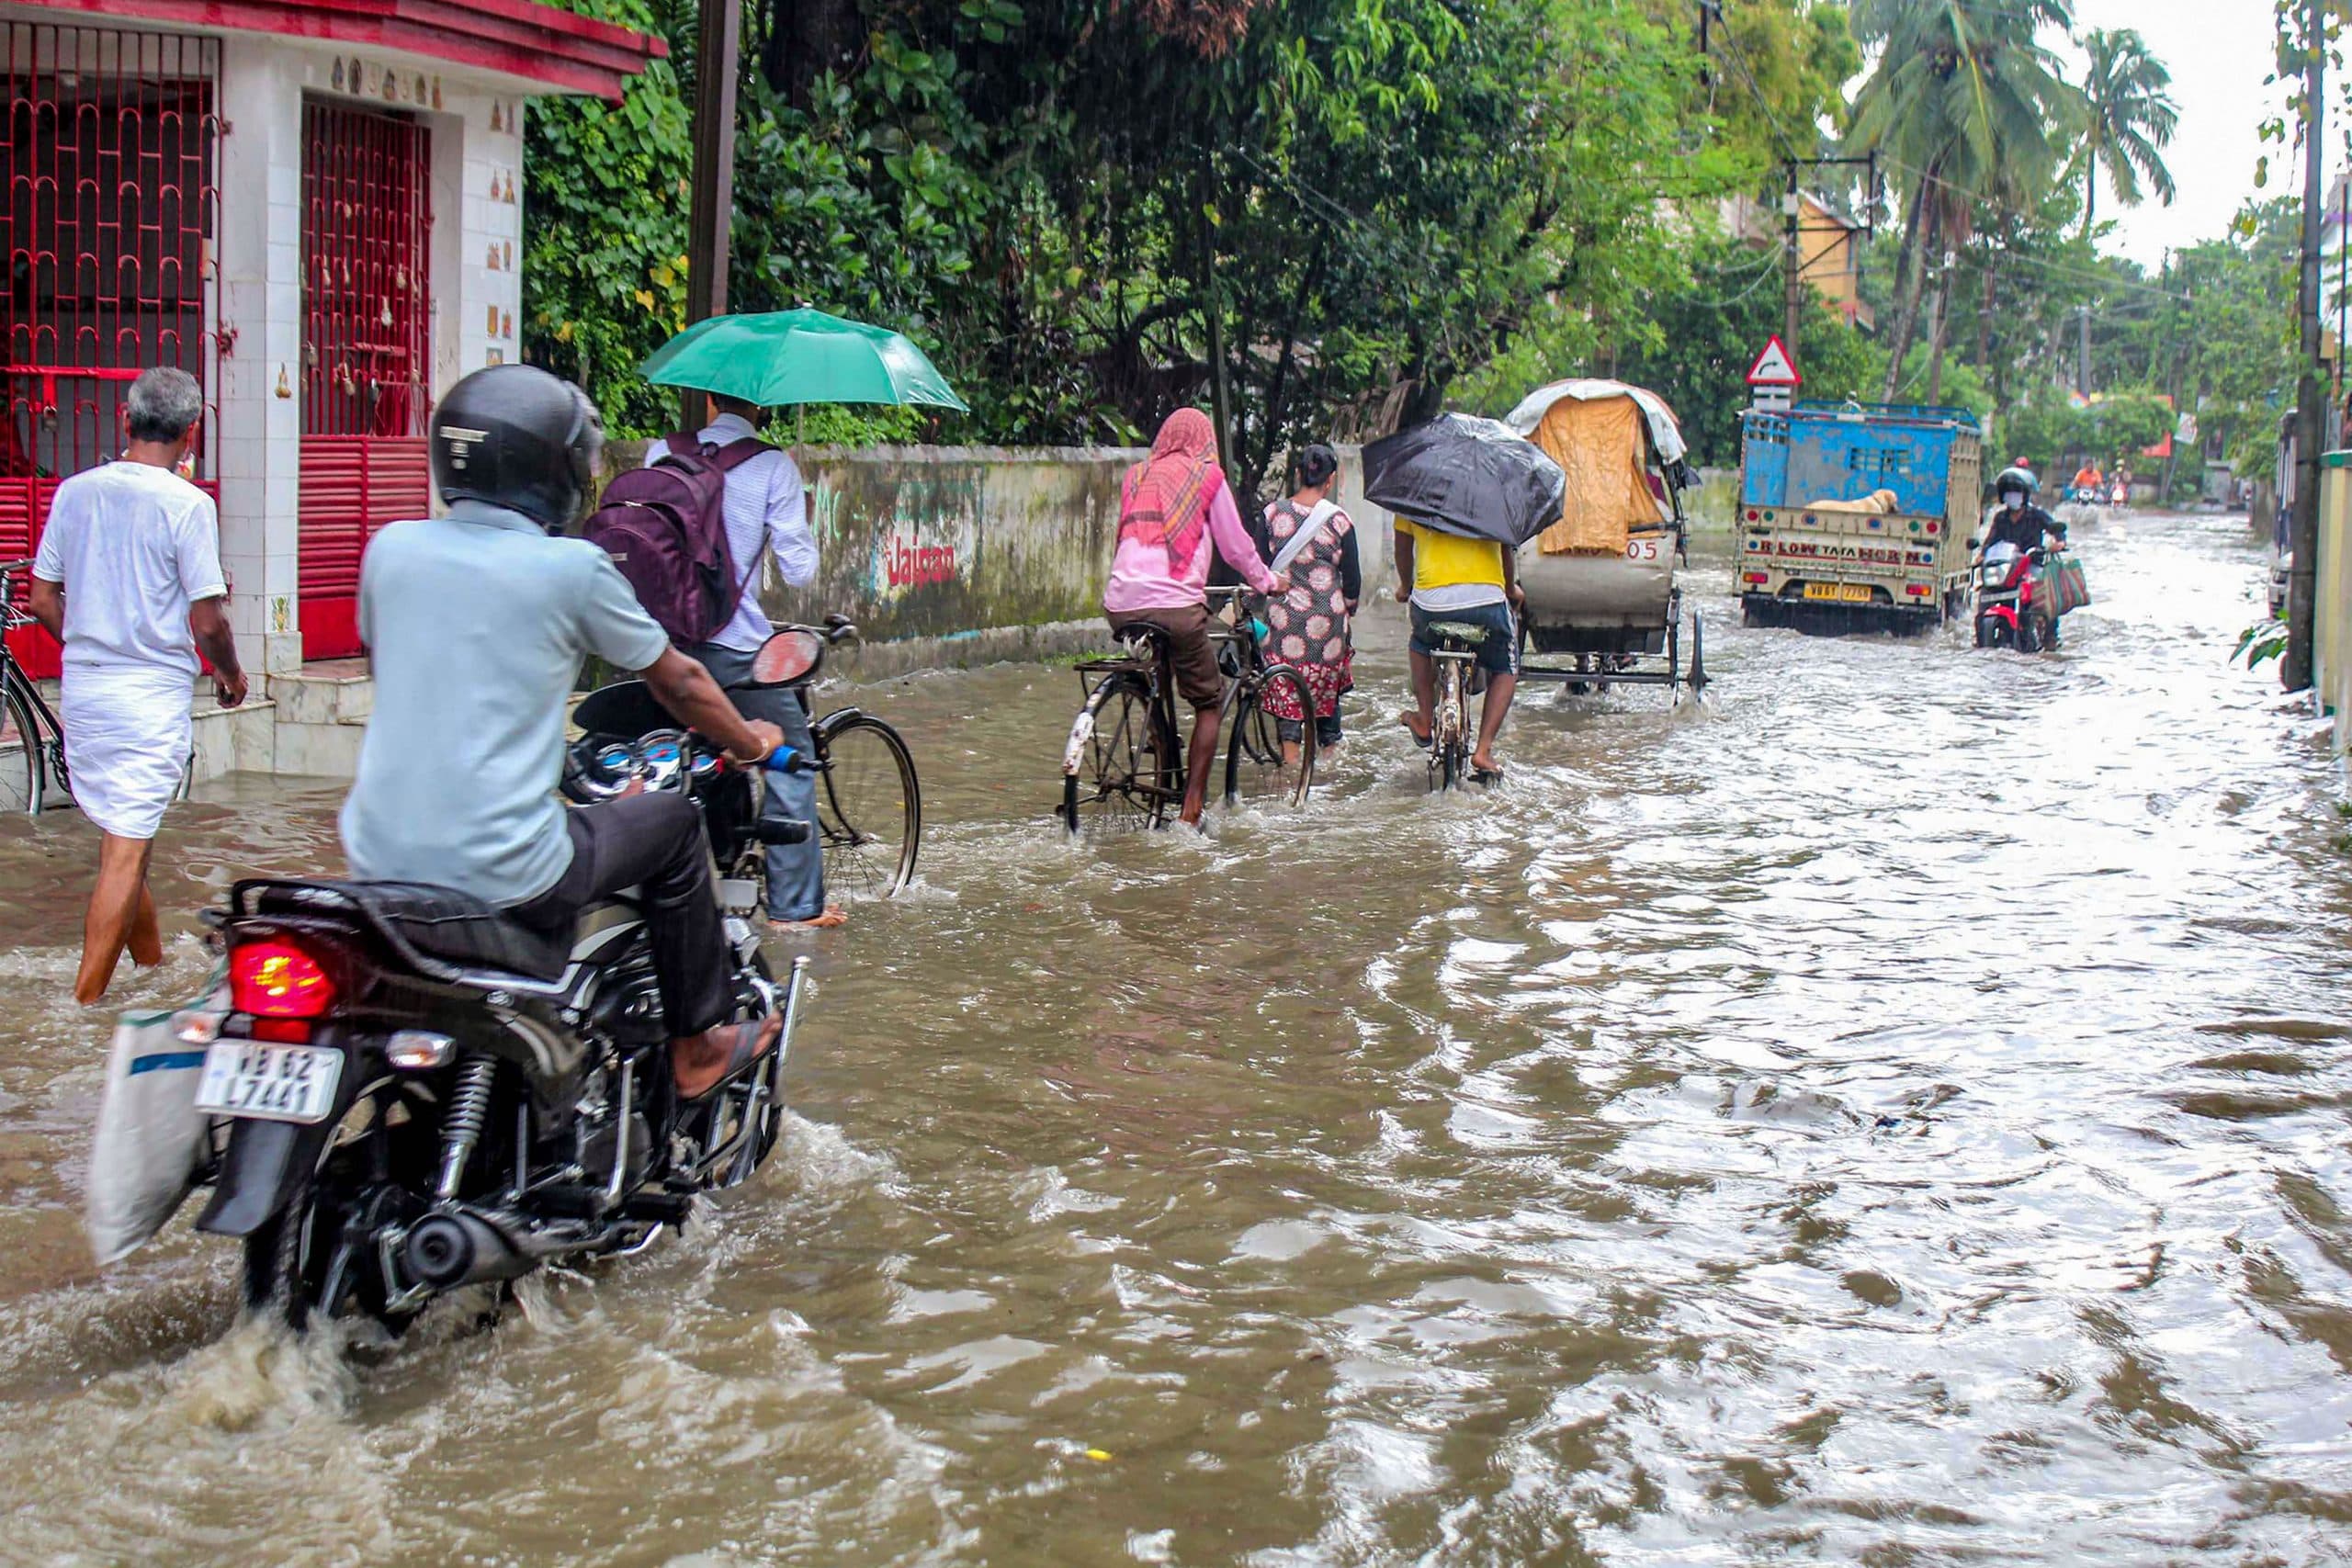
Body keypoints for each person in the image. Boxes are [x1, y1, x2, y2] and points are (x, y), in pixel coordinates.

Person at [340, 365, 786, 1100]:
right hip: (509, 871)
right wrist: (750, 741)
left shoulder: (390, 548)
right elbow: (678, 681)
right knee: (673, 825)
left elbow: (414, 671)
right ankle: (699, 1047)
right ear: (555, 468)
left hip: (377, 863)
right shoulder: (572, 568)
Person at [26, 367, 246, 1004]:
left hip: (87, 691)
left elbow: (42, 597)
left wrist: (91, 641)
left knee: (126, 835)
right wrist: (229, 676)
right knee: (124, 852)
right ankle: (81, 1009)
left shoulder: (74, 492)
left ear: (126, 421)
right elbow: (207, 620)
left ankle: (151, 971)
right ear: (190, 431)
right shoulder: (189, 505)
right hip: (148, 696)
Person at [644, 393, 838, 931]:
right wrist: (801, 514)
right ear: (765, 404)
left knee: (677, 757)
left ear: (708, 398)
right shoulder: (772, 464)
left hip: (657, 648)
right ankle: (795, 910)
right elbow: (799, 572)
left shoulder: (662, 450)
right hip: (734, 647)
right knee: (790, 758)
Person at [1102, 408, 1287, 828]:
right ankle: (1191, 808)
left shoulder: (1137, 475)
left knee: (1160, 675)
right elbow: (1236, 547)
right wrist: (1267, 581)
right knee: (1208, 700)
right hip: (1174, 605)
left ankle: (1160, 743)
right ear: (1205, 442)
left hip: (1120, 603)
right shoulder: (1207, 477)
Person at [1395, 514, 1521, 782]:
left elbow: (1403, 550)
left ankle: (1424, 718)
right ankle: (1484, 751)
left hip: (1431, 602)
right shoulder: (1492, 495)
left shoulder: (1414, 492)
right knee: (1505, 666)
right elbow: (1505, 549)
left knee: (1420, 644)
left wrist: (1405, 587)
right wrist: (1510, 589)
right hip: (1486, 601)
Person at [1255, 443, 1360, 768]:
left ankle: (1291, 772)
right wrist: (1348, 609)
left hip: (1283, 625)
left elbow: (1258, 569)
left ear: (1298, 473)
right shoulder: (1340, 521)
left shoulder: (1271, 514)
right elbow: (1353, 581)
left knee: (1288, 690)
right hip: (1327, 627)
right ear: (1329, 481)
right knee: (1325, 694)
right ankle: (1328, 764)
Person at [1980, 464, 2069, 643]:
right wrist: (1982, 555)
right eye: (2008, 491)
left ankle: (2050, 636)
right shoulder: (2000, 518)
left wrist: (2059, 542)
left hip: (2031, 565)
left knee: (2044, 594)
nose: (2012, 495)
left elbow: (2055, 529)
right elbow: (1991, 540)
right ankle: (1980, 636)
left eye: (2016, 491)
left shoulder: (2036, 515)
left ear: (2025, 494)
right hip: (2007, 568)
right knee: (1985, 592)